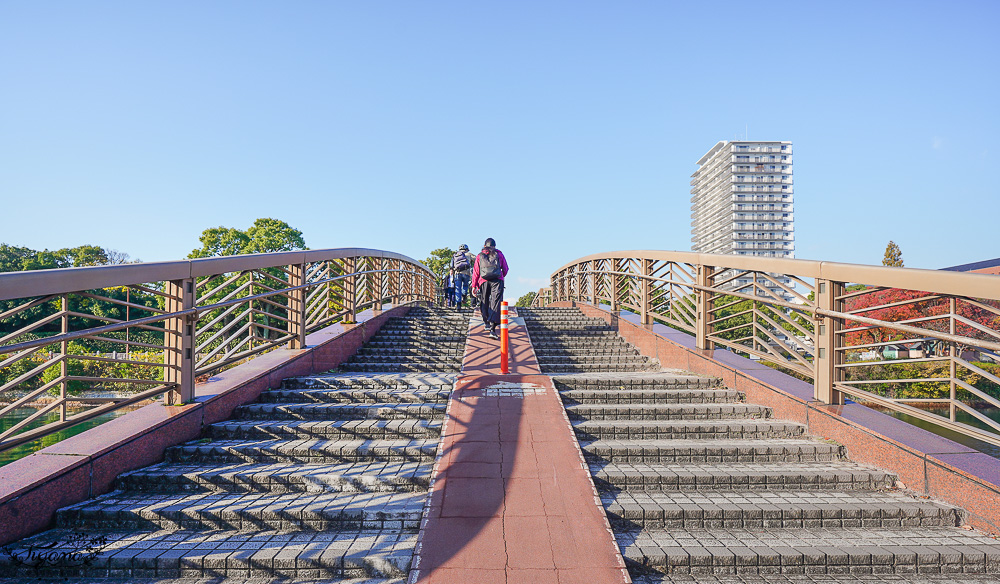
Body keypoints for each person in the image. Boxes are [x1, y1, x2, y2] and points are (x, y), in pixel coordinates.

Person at [471, 238, 509, 340]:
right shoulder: (499, 254)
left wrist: (474, 286)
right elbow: (506, 269)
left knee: (484, 301)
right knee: (495, 302)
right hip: (497, 280)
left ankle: (486, 323)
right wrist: (501, 275)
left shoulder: (479, 256)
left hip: (483, 281)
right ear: (494, 246)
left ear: (484, 246)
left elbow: (476, 272)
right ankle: (493, 328)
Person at [451, 244, 475, 308]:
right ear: (467, 249)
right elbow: (477, 260)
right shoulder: (469, 254)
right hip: (466, 273)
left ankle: (458, 304)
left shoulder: (455, 255)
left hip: (457, 273)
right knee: (465, 285)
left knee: (458, 288)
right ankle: (464, 295)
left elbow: (452, 265)